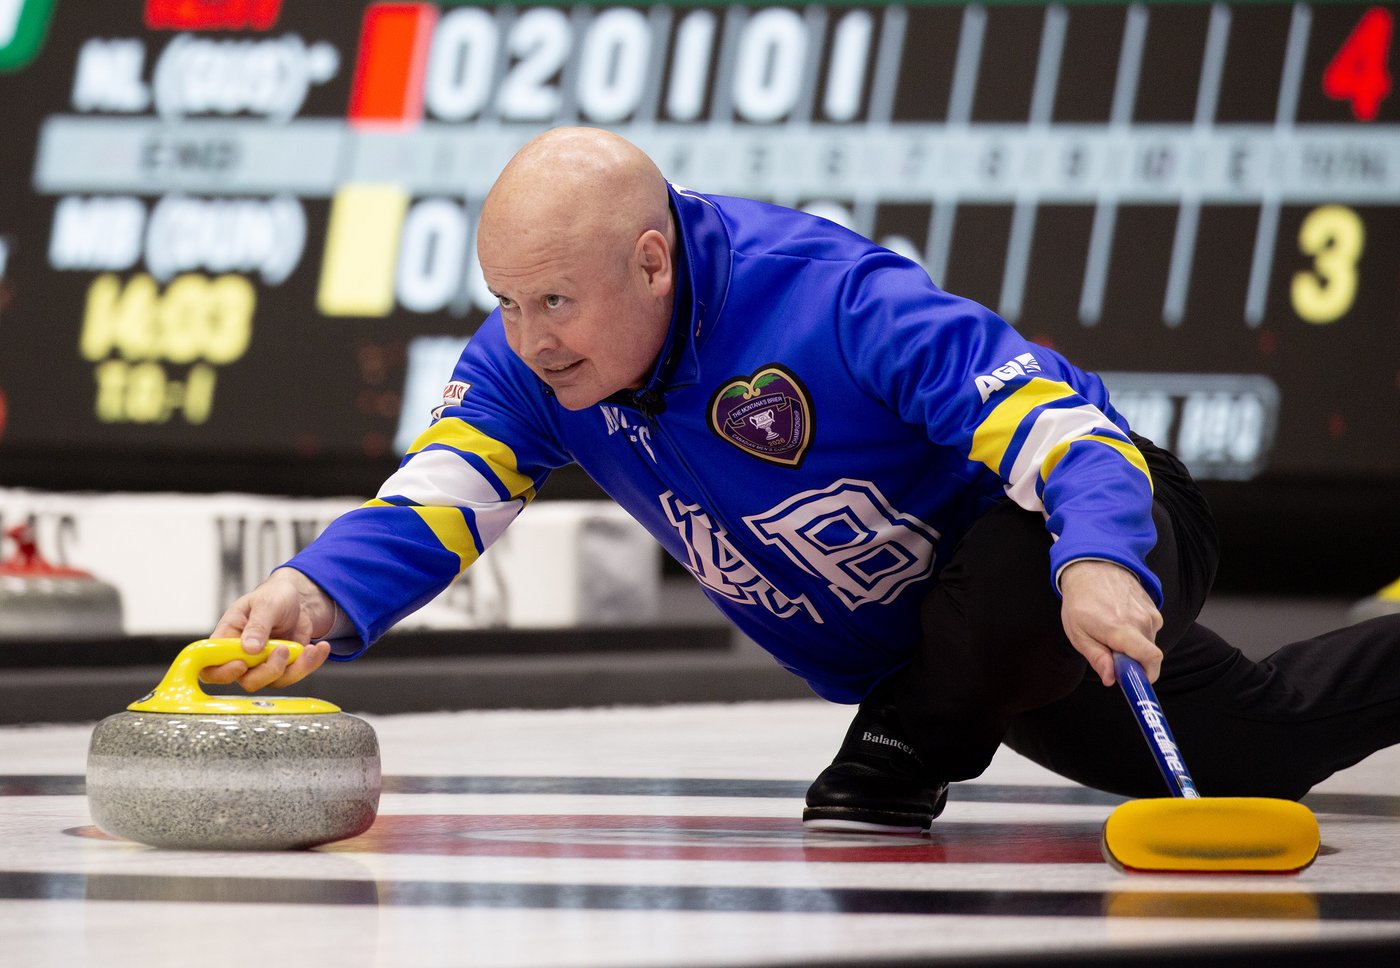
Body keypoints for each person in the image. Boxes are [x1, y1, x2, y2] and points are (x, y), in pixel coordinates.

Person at [205, 127, 1400, 832]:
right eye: (507, 302)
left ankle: (899, 757)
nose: (529, 338)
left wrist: (1094, 558)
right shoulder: (530, 365)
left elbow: (1061, 431)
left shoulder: (831, 298)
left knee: (1015, 565)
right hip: (959, 654)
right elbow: (436, 499)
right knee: (1258, 751)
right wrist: (317, 594)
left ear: (652, 259)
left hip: (1091, 535)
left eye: (556, 301)